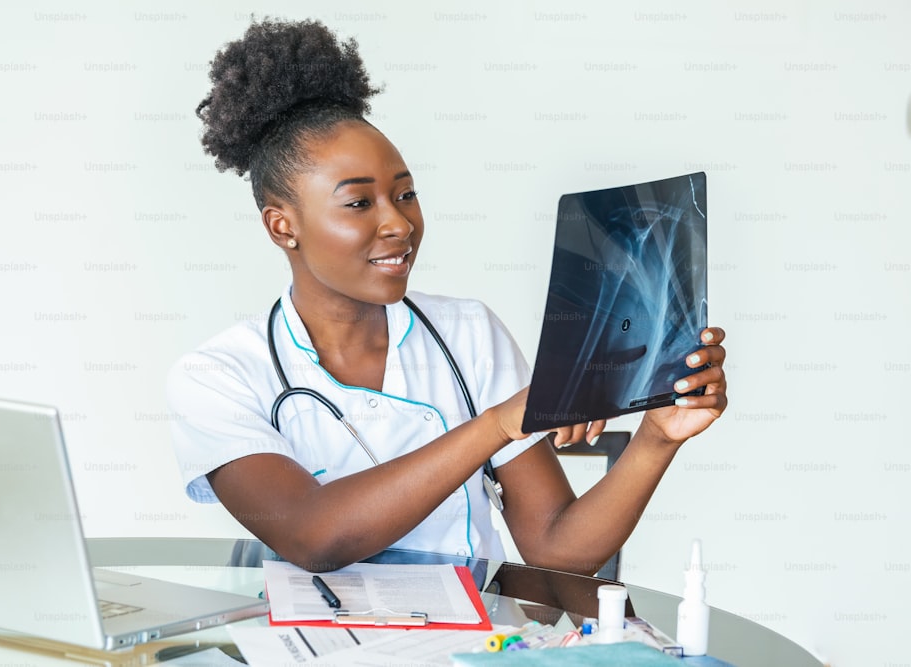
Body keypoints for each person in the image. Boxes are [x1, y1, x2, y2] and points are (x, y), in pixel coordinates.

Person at [167, 18, 727, 576]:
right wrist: (496, 425)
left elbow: (557, 549)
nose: (399, 224)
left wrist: (656, 439)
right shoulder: (220, 376)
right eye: (359, 204)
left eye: (405, 194)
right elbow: (315, 536)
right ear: (282, 226)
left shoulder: (469, 334)